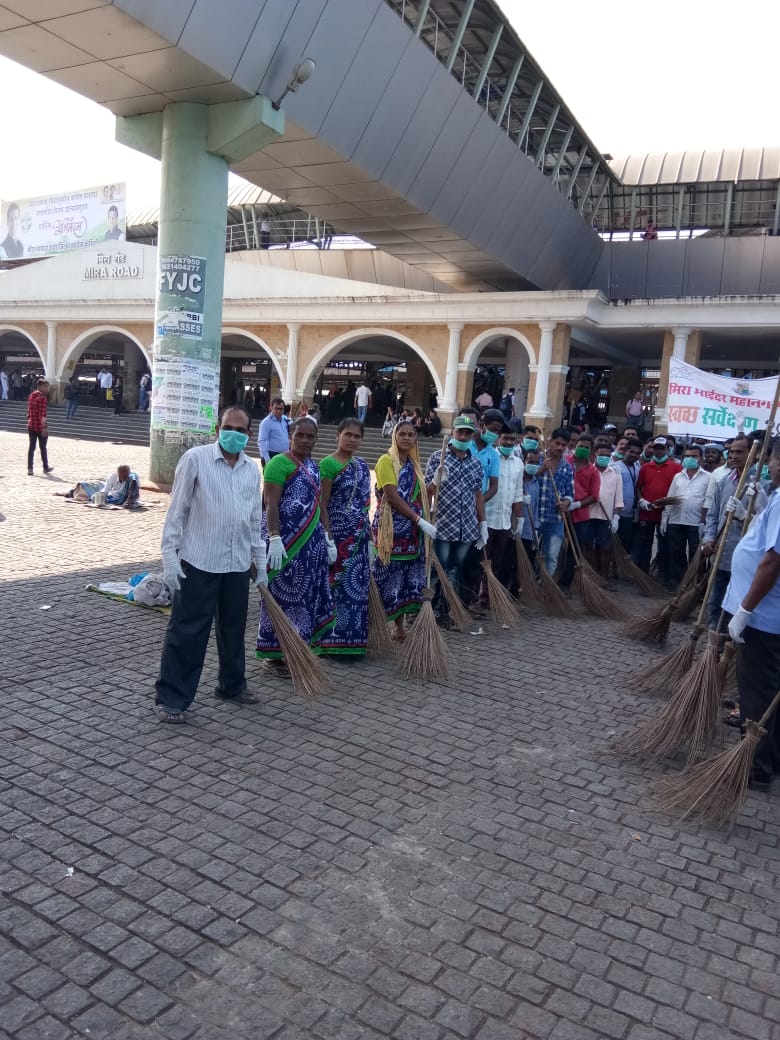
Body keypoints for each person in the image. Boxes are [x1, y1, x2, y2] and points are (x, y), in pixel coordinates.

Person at [155, 406, 265, 724]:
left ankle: (232, 685)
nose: (234, 434)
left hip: (235, 564)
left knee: (233, 630)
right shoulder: (196, 459)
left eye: (241, 430)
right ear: (218, 429)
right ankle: (172, 697)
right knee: (188, 630)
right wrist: (170, 558)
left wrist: (260, 564)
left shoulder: (250, 470)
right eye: (228, 427)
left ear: (249, 435)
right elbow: (177, 511)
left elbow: (253, 519)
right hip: (199, 561)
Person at [723, 438, 780, 790]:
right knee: (768, 690)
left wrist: (745, 609)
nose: (770, 463)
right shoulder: (774, 497)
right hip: (765, 615)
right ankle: (770, 757)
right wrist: (749, 514)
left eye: (772, 458)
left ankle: (755, 768)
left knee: (758, 693)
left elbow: (773, 560)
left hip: (763, 618)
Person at [257, 417, 335, 665]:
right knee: (281, 596)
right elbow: (271, 504)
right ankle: (274, 656)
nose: (304, 440)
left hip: (310, 547)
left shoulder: (315, 467)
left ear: (316, 440)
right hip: (284, 545)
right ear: (290, 436)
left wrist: (327, 537)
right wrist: (275, 537)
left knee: (305, 598)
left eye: (310, 436)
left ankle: (298, 647)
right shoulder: (278, 465)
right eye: (300, 435)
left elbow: (319, 505)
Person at [373, 421, 436, 641]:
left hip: (412, 533)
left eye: (411, 434)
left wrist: (431, 491)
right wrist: (418, 519)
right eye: (402, 434)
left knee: (405, 579)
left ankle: (399, 627)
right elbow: (391, 495)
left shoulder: (414, 465)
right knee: (385, 577)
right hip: (391, 528)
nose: (406, 438)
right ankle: (375, 624)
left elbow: (419, 497)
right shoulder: (385, 461)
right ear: (394, 436)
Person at [424, 415, 486, 626]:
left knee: (455, 570)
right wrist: (434, 481)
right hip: (443, 525)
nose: (463, 436)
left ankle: (446, 611)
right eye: (460, 432)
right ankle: (430, 610)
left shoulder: (476, 463)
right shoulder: (438, 457)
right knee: (438, 568)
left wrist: (482, 523)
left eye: (468, 433)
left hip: (466, 527)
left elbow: (478, 494)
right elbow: (427, 493)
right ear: (452, 433)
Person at [701, 434, 767, 629]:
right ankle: (713, 643)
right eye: (731, 452)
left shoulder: (761, 486)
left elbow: (765, 524)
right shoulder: (724, 482)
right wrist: (708, 538)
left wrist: (745, 515)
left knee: (736, 605)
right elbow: (713, 515)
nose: (734, 455)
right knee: (715, 602)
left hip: (745, 559)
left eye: (740, 451)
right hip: (720, 553)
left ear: (752, 454)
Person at [319, 419, 371, 657]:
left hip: (358, 539)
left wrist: (368, 536)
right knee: (334, 588)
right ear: (337, 435)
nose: (352, 439)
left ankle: (353, 643)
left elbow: (364, 503)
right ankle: (330, 641)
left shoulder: (361, 464)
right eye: (347, 434)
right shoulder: (327, 465)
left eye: (356, 436)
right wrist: (329, 538)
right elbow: (323, 504)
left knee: (356, 590)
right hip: (336, 537)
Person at [661, 445, 711, 586]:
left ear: (700, 458)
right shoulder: (678, 477)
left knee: (696, 554)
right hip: (676, 520)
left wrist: (703, 522)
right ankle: (676, 581)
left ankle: (694, 583)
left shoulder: (708, 477)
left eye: (693, 456)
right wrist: (665, 518)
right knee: (675, 552)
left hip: (695, 522)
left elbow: (708, 500)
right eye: (687, 456)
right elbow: (670, 497)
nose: (690, 459)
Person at [483, 423, 524, 593]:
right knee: (481, 561)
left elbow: (517, 493)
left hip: (505, 522)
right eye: (505, 438)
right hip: (486, 518)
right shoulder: (490, 457)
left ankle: (490, 597)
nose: (508, 442)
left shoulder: (519, 463)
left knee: (497, 563)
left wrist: (519, 519)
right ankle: (477, 598)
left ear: (517, 441)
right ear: (498, 439)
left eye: (512, 439)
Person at [635, 436, 682, 578]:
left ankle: (663, 575)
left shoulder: (676, 467)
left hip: (666, 514)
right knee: (645, 545)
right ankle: (643, 574)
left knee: (665, 545)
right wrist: (641, 500)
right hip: (648, 512)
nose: (659, 451)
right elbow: (639, 487)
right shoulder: (645, 467)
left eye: (662, 448)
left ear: (668, 449)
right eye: (656, 448)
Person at [559, 433, 601, 588]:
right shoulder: (565, 463)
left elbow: (594, 496)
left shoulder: (593, 472)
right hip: (560, 512)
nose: (582, 449)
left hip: (580, 516)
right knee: (556, 546)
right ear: (575, 446)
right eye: (580, 446)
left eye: (586, 447)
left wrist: (577, 505)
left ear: (591, 451)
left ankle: (565, 583)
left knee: (575, 550)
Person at [537, 427, 575, 574]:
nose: (560, 447)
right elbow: (526, 481)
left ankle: (546, 587)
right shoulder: (538, 459)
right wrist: (541, 470)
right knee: (531, 554)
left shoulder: (567, 467)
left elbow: (570, 493)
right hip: (535, 516)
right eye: (557, 443)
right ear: (550, 441)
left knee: (552, 557)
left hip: (555, 519)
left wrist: (565, 502)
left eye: (563, 445)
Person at [588, 444, 623, 580]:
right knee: (588, 547)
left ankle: (603, 577)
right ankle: (590, 576)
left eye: (608, 455)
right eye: (601, 454)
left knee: (605, 548)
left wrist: (616, 517)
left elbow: (619, 499)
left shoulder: (616, 475)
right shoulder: (588, 471)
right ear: (595, 454)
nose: (604, 457)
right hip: (588, 515)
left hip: (606, 517)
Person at [613, 437, 643, 557]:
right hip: (615, 513)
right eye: (632, 452)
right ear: (625, 450)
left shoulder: (638, 468)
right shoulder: (615, 467)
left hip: (631, 514)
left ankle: (620, 570)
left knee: (626, 544)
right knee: (611, 543)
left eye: (637, 453)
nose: (634, 455)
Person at [27, 378, 53, 476]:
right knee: (43, 448)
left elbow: (29, 411)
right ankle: (45, 467)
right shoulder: (42, 398)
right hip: (39, 427)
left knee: (31, 447)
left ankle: (30, 468)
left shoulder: (31, 395)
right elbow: (42, 415)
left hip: (31, 425)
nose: (47, 388)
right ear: (40, 386)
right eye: (46, 386)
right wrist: (44, 427)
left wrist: (29, 419)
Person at [257, 396, 290, 466]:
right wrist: (267, 459)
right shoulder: (266, 422)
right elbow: (261, 441)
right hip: (271, 455)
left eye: (281, 409)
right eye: (276, 408)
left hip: (284, 455)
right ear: (271, 408)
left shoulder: (285, 419)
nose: (279, 411)